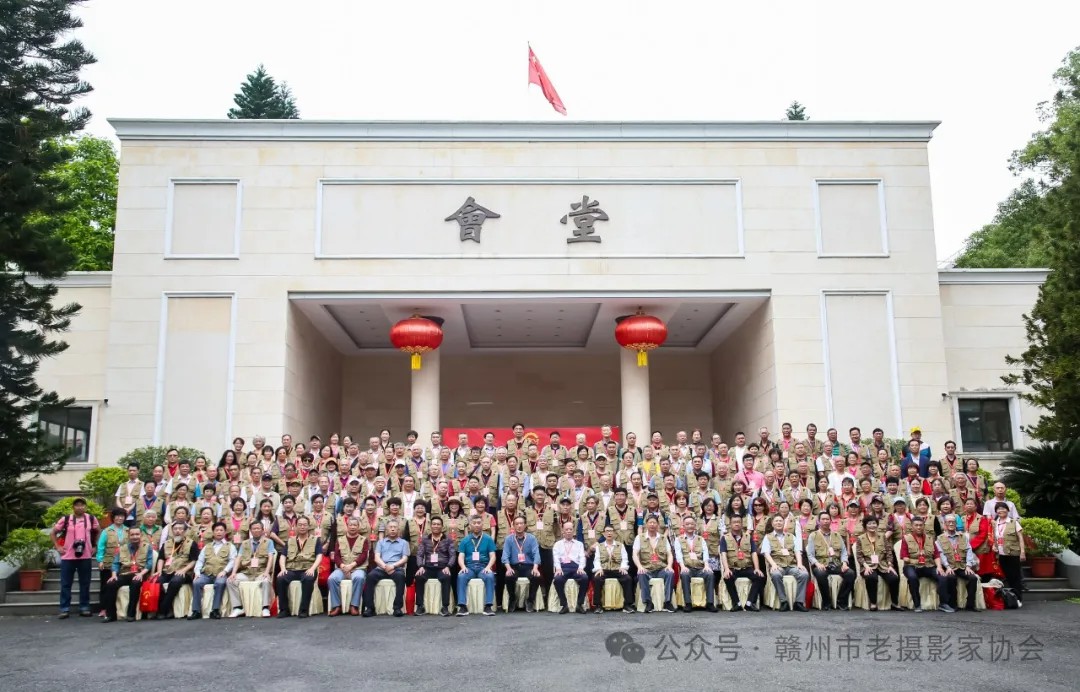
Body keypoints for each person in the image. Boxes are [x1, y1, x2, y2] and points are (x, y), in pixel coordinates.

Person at [51, 497, 101, 619]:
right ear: (73, 507)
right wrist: (58, 546)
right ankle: (64, 609)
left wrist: (95, 546)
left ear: (86, 507)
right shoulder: (66, 519)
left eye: (82, 505)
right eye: (77, 505)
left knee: (85, 583)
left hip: (85, 555)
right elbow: (53, 533)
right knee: (65, 584)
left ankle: (84, 607)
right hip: (68, 557)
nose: (80, 507)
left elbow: (98, 531)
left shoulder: (91, 518)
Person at [101, 526, 154, 623]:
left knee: (135, 583)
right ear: (129, 536)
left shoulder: (147, 547)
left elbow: (149, 564)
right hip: (125, 573)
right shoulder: (122, 548)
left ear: (141, 535)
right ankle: (111, 615)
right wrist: (114, 575)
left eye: (137, 534)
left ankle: (131, 614)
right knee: (110, 584)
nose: (135, 537)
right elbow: (115, 564)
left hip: (140, 573)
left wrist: (141, 574)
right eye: (132, 534)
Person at [806, 511, 855, 610]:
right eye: (823, 519)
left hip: (836, 564)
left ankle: (841, 600)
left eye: (827, 519)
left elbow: (844, 552)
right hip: (821, 564)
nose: (825, 521)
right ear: (819, 521)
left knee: (850, 573)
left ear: (830, 521)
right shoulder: (813, 535)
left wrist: (844, 563)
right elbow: (810, 554)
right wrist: (817, 564)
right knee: (821, 574)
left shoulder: (837, 535)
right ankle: (826, 601)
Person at [276, 516, 323, 618]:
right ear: (296, 526)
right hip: (292, 569)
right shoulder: (290, 541)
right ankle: (284, 610)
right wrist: (283, 569)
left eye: (305, 525)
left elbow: (319, 556)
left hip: (307, 569)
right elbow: (283, 556)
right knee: (280, 578)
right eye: (300, 525)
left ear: (308, 526)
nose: (302, 527)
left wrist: (312, 569)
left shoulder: (315, 540)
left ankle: (303, 610)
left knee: (308, 579)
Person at [760, 514, 810, 612]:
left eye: (780, 521)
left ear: (784, 523)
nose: (778, 523)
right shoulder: (768, 537)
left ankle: (799, 602)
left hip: (791, 565)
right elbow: (766, 553)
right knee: (776, 575)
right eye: (776, 521)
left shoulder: (791, 536)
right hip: (778, 565)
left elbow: (797, 551)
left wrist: (799, 564)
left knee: (804, 574)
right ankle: (784, 601)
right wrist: (773, 564)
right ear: (772, 524)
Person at [899, 516, 948, 613]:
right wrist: (918, 558)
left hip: (928, 565)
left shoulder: (930, 538)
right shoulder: (906, 538)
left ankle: (943, 603)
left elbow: (936, 555)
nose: (919, 527)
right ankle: (917, 604)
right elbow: (904, 557)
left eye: (921, 525)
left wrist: (939, 567)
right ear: (912, 526)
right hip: (912, 566)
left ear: (924, 526)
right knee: (912, 577)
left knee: (942, 577)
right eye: (916, 525)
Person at [226, 520, 275, 618]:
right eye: (254, 529)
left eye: (258, 528)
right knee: (230, 580)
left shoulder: (269, 542)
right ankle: (238, 608)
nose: (256, 530)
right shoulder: (244, 543)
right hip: (247, 573)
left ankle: (265, 608)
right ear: (250, 531)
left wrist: (266, 572)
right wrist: (233, 573)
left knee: (266, 581)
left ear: (262, 530)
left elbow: (270, 558)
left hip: (261, 572)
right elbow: (238, 558)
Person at [362, 518, 410, 617]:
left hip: (396, 568)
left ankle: (397, 608)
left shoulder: (404, 543)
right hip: (381, 567)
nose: (392, 529)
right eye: (390, 527)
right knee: (370, 577)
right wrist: (385, 566)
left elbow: (405, 559)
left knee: (401, 577)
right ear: (387, 530)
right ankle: (370, 608)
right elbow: (376, 558)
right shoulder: (381, 542)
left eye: (395, 527)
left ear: (398, 530)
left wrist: (393, 566)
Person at [190, 521, 237, 620]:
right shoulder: (207, 546)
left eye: (221, 530)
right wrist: (197, 572)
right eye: (217, 530)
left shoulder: (230, 546)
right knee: (196, 582)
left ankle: (215, 610)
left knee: (220, 583)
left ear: (225, 532)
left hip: (221, 573)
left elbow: (233, 561)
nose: (219, 532)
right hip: (206, 574)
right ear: (213, 532)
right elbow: (200, 561)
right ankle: (196, 611)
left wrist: (225, 571)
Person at [719, 514, 765, 612]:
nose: (736, 524)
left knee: (759, 577)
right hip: (733, 568)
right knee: (728, 577)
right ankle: (737, 603)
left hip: (747, 567)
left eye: (738, 522)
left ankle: (750, 603)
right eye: (734, 522)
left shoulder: (748, 537)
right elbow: (723, 554)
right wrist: (726, 569)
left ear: (742, 524)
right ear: (730, 524)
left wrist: (757, 568)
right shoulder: (725, 538)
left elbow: (754, 553)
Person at [854, 516, 901, 611]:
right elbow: (859, 556)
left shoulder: (882, 537)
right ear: (865, 526)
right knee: (872, 577)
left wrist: (890, 565)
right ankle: (873, 603)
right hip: (868, 565)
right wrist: (865, 566)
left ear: (877, 525)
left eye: (874, 523)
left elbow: (889, 552)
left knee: (894, 578)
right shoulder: (860, 538)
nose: (872, 525)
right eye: (869, 524)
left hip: (882, 565)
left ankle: (894, 603)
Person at [154, 521, 200, 618]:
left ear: (185, 531)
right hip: (168, 571)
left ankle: (162, 610)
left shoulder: (191, 543)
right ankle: (168, 608)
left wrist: (184, 570)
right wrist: (159, 571)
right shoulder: (166, 543)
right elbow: (161, 558)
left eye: (180, 529)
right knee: (158, 581)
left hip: (184, 572)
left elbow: (194, 560)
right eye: (175, 529)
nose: (177, 531)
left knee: (175, 581)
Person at [674, 515, 718, 613]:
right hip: (687, 567)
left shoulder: (700, 539)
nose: (690, 526)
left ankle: (710, 603)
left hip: (700, 568)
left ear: (695, 525)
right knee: (684, 575)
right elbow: (678, 555)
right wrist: (682, 567)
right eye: (687, 524)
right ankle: (688, 603)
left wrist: (706, 565)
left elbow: (705, 553)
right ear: (683, 526)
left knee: (710, 574)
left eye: (692, 524)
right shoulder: (678, 539)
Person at [456, 514, 497, 616]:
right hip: (469, 567)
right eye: (474, 523)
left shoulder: (488, 539)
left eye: (479, 523)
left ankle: (488, 606)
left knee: (490, 576)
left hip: (483, 567)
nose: (476, 525)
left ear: (482, 524)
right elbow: (461, 556)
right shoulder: (465, 540)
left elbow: (493, 556)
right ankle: (462, 606)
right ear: (470, 525)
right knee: (461, 576)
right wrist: (463, 567)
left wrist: (488, 567)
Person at [632, 515, 675, 613]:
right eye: (650, 522)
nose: (652, 524)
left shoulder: (663, 538)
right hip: (647, 568)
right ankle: (648, 602)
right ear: (646, 525)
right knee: (641, 574)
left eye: (654, 522)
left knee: (670, 573)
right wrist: (639, 567)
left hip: (661, 569)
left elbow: (669, 554)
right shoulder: (639, 538)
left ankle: (667, 602)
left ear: (658, 525)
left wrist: (669, 566)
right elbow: (635, 554)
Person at [327, 517, 368, 617]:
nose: (353, 527)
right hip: (342, 568)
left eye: (355, 525)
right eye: (351, 525)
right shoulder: (340, 540)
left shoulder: (363, 540)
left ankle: (354, 606)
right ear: (347, 526)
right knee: (332, 578)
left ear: (358, 527)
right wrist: (342, 566)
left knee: (359, 578)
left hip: (357, 568)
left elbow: (363, 556)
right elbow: (336, 556)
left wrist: (351, 566)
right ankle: (337, 606)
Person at [937, 515, 979, 612]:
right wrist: (947, 567)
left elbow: (969, 550)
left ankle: (970, 605)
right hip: (949, 566)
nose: (951, 524)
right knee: (951, 577)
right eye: (949, 522)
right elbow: (941, 554)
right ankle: (953, 604)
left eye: (953, 522)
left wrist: (968, 566)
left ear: (956, 524)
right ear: (945, 524)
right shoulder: (940, 538)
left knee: (973, 578)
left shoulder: (963, 536)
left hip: (962, 566)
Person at [415, 516, 456, 616]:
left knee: (446, 577)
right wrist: (420, 566)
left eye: (438, 524)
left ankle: (445, 607)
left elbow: (452, 555)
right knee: (419, 577)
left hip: (442, 568)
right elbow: (419, 554)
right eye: (434, 524)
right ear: (431, 526)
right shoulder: (425, 539)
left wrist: (448, 566)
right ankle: (420, 606)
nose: (436, 526)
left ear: (442, 526)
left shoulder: (448, 539)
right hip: (428, 567)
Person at [501, 516, 542, 613]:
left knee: (536, 576)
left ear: (525, 525)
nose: (519, 526)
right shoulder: (509, 539)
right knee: (508, 576)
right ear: (513, 526)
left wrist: (535, 568)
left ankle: (530, 601)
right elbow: (505, 555)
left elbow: (536, 554)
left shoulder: (532, 538)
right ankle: (512, 599)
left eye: (521, 523)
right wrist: (508, 568)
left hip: (528, 566)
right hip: (514, 566)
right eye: (517, 524)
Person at [592, 524, 635, 614]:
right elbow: (596, 560)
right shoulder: (599, 546)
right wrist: (599, 569)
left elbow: (625, 559)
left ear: (614, 533)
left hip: (617, 569)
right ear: (604, 534)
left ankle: (627, 604)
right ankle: (598, 605)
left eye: (611, 531)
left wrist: (623, 567)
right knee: (597, 579)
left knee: (627, 578)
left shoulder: (620, 545)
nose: (609, 533)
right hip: (604, 569)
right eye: (607, 531)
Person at [991, 501, 1026, 603]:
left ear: (1008, 510)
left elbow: (1020, 538)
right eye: (998, 509)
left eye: (1003, 508)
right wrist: (994, 546)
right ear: (996, 511)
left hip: (1013, 554)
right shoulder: (995, 523)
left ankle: (1018, 598)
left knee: (1015, 577)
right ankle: (1010, 598)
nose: (1001, 510)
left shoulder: (1014, 522)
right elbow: (995, 538)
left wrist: (1022, 552)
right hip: (1001, 554)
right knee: (1006, 577)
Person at [551, 520, 589, 614]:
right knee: (557, 579)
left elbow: (582, 557)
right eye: (566, 529)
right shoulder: (557, 544)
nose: (568, 531)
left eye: (570, 529)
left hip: (575, 567)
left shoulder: (579, 544)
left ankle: (579, 604)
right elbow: (556, 558)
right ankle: (564, 605)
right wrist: (558, 568)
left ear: (573, 531)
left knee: (585, 578)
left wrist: (581, 568)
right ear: (563, 531)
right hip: (563, 567)